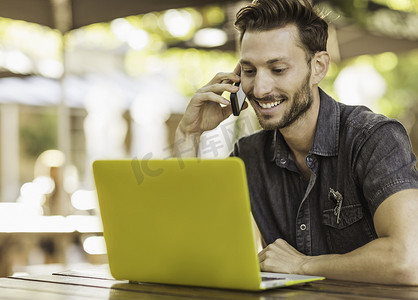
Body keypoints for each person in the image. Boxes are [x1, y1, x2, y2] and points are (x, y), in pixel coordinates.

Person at [174, 0, 418, 285]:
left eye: (277, 69)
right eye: (250, 71)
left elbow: (409, 259)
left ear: (318, 67)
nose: (260, 89)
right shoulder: (248, 156)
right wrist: (188, 136)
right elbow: (201, 253)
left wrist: (303, 265)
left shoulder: (373, 138)